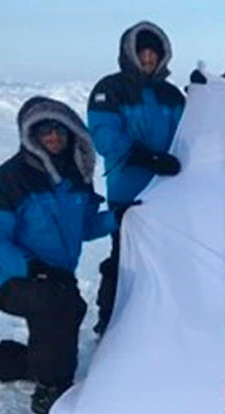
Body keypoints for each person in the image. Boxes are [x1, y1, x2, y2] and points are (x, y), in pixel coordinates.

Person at [0, 96, 117, 414]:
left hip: (58, 277)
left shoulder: (75, 178)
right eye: (44, 130)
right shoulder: (5, 182)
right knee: (60, 308)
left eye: (59, 129)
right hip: (15, 279)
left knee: (53, 341)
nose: (53, 136)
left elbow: (85, 226)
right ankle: (51, 389)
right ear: (30, 135)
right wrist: (30, 266)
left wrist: (120, 217)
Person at [87, 21, 185, 335]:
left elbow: (191, 134)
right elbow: (105, 136)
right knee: (123, 260)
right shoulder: (110, 89)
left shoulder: (171, 95)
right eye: (142, 52)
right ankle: (109, 322)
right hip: (128, 192)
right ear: (130, 54)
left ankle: (160, 320)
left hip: (167, 193)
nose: (148, 58)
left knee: (164, 260)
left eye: (153, 53)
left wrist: (203, 98)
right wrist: (144, 157)